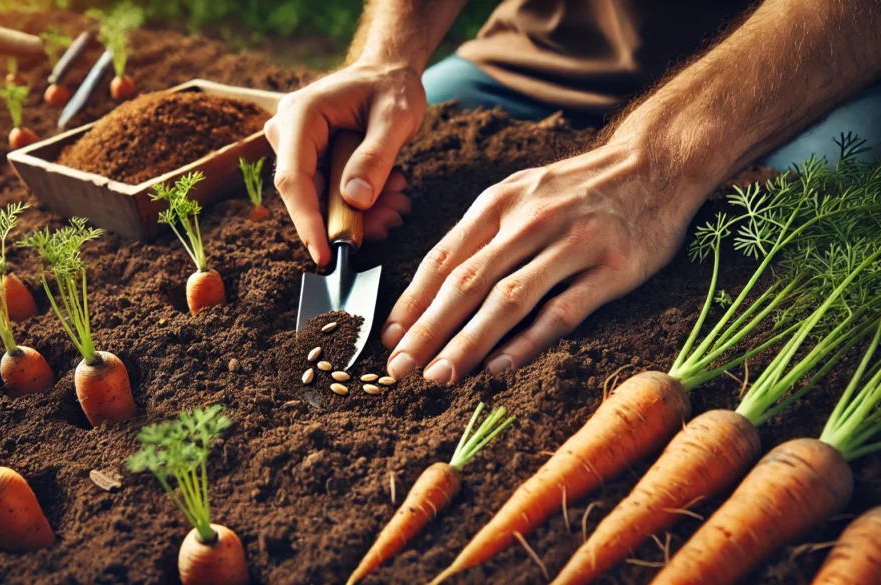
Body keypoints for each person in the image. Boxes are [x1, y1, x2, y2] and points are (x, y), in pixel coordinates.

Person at [263, 0, 881, 385]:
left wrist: (656, 162)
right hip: (547, 54)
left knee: (814, 220)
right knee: (403, 121)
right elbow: (387, 66)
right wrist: (386, 56)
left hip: (802, 74)